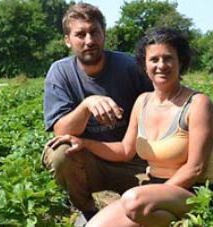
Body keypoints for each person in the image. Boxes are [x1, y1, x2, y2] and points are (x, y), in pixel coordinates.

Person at [49, 27, 213, 227]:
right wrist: (83, 142)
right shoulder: (142, 102)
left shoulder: (197, 104)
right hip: (150, 191)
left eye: (168, 58)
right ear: (144, 65)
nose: (161, 65)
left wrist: (152, 194)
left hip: (191, 193)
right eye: (154, 59)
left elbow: (195, 169)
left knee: (133, 202)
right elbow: (125, 150)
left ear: (181, 62)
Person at [42, 2, 153, 223]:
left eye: (94, 32)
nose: (89, 41)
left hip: (134, 161)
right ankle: (87, 210)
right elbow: (60, 131)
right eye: (80, 34)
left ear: (104, 34)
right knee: (60, 151)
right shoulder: (60, 72)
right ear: (67, 40)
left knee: (157, 201)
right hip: (89, 161)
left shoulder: (130, 67)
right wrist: (86, 105)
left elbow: (161, 108)